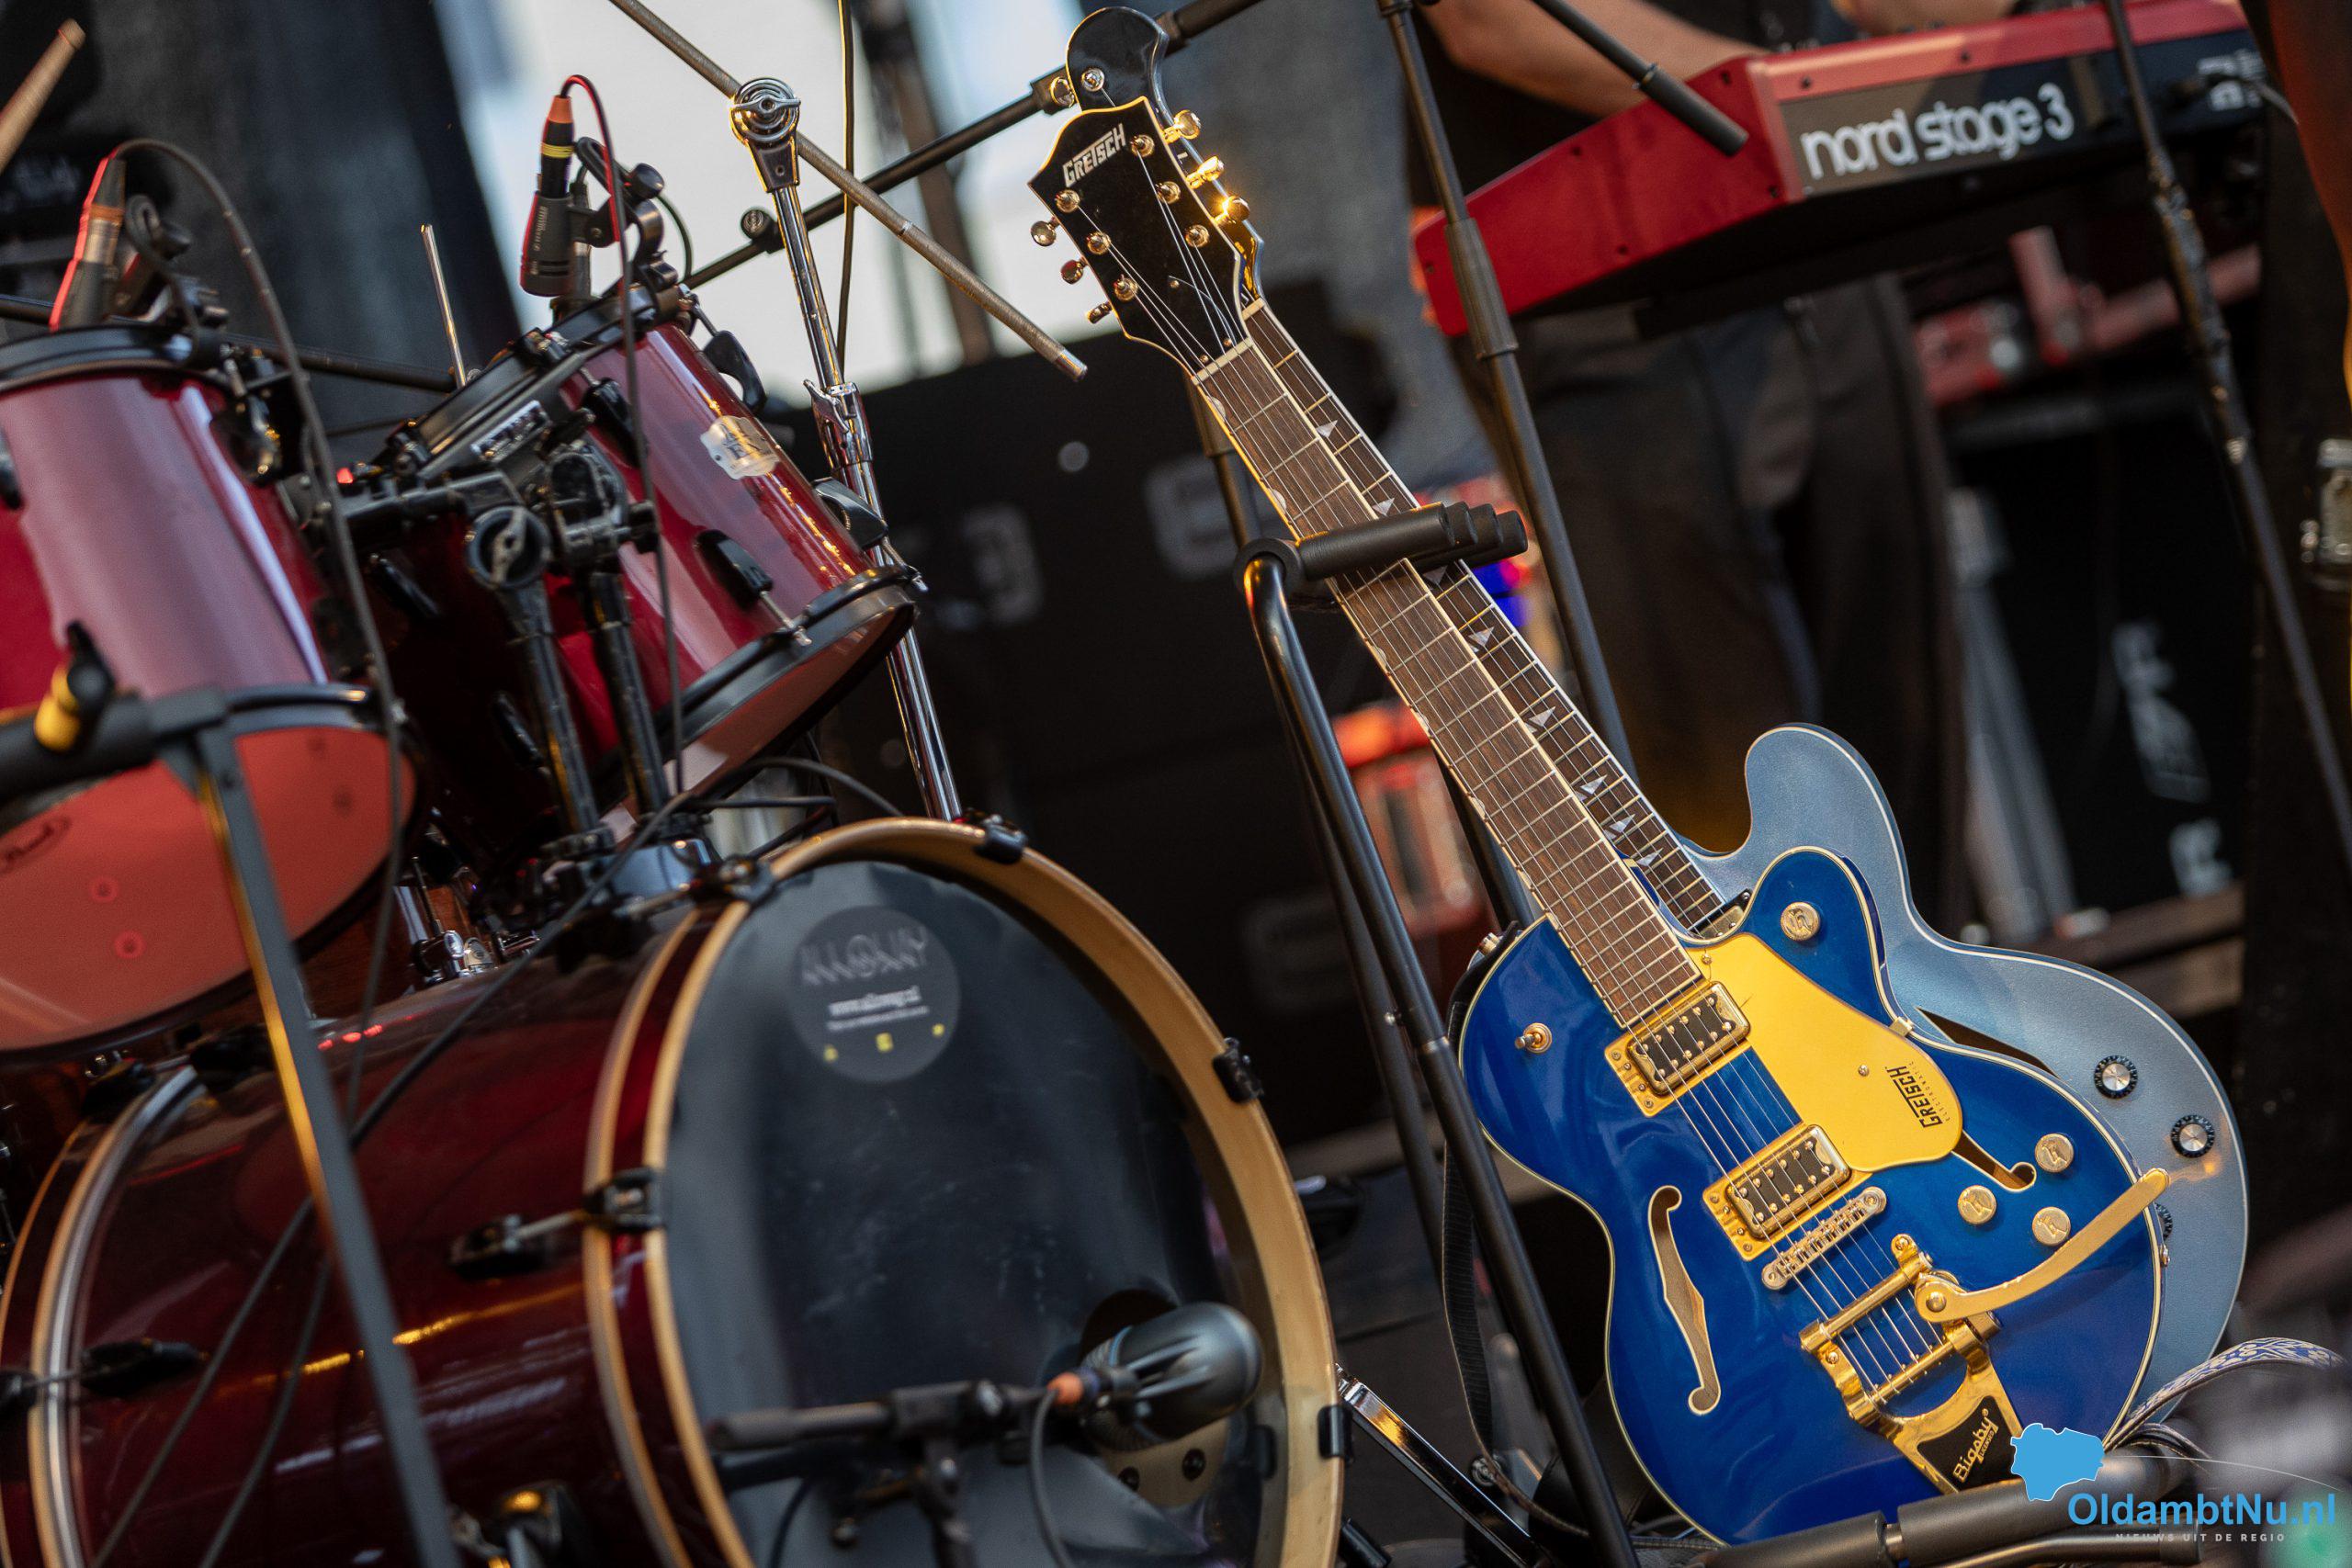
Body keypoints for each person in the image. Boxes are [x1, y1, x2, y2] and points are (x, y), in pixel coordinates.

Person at [1414, 0, 2007, 927]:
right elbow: (1490, 17)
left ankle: (1943, 1004)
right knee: (1737, 803)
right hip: (1595, 269)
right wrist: (1784, 99)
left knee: (1905, 740)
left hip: (1814, 217)